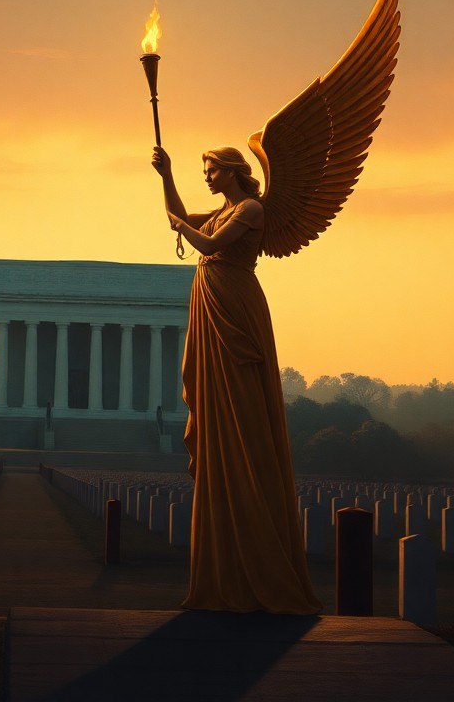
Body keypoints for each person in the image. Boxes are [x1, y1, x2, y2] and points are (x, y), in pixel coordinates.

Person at [152, 144, 322, 615]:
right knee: (217, 413)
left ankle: (258, 559)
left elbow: (205, 244)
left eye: (211, 169)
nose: (206, 176)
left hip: (235, 309)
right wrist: (165, 175)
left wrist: (182, 227)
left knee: (241, 414)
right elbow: (180, 215)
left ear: (233, 171)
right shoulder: (228, 208)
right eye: (203, 169)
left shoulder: (250, 208)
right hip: (212, 305)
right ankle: (226, 566)